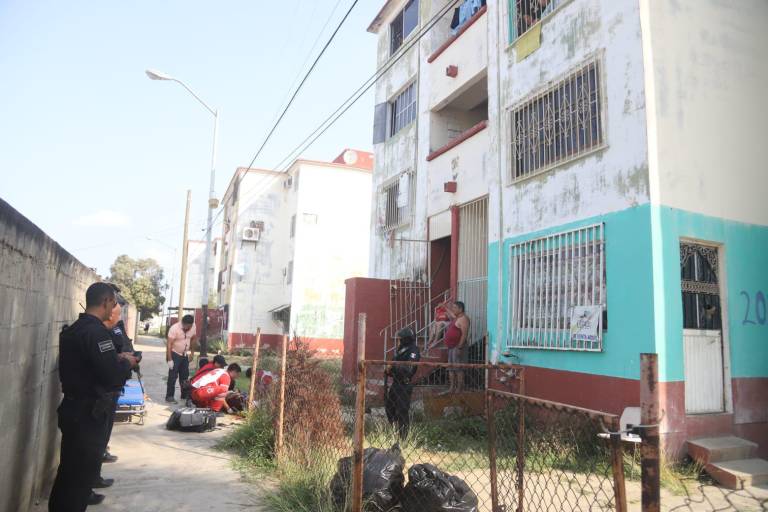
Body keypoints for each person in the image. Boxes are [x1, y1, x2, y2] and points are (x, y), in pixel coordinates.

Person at [48, 282, 138, 512]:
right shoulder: (97, 333)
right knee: (80, 480)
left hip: (74, 408)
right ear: (106, 302)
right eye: (114, 303)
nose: (114, 308)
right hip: (88, 414)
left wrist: (116, 359)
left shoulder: (76, 329)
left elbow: (87, 365)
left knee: (68, 474)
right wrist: (126, 362)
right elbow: (112, 378)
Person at [385, 327, 420, 439]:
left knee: (402, 411)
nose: (398, 341)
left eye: (400, 339)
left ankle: (403, 437)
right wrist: (388, 369)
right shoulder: (400, 349)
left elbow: (408, 369)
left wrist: (393, 366)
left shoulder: (413, 350)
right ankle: (394, 432)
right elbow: (393, 365)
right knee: (389, 408)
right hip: (395, 383)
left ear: (406, 339)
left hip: (404, 384)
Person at [165, 314, 197, 404]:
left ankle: (185, 395)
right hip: (174, 354)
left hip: (185, 355)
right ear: (182, 323)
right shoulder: (174, 328)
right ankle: (169, 396)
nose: (187, 328)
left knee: (184, 376)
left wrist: (192, 353)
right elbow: (169, 344)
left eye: (189, 327)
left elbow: (193, 339)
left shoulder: (193, 326)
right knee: (173, 376)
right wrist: (170, 359)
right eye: (185, 326)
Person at [442, 301, 470, 394]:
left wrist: (460, 348)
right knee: (450, 368)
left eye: (454, 308)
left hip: (458, 347)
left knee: (458, 368)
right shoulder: (457, 318)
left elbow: (464, 335)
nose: (453, 309)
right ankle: (451, 387)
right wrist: (444, 307)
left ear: (460, 309)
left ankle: (459, 388)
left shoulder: (464, 319)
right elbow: (451, 314)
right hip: (451, 347)